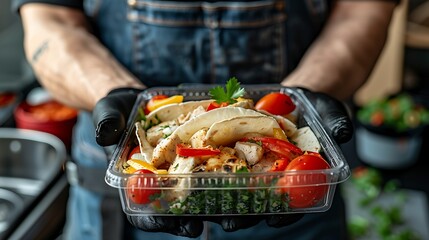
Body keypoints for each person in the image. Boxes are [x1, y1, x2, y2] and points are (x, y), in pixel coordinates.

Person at [13, 0, 398, 239]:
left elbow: (362, 9)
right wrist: (116, 98)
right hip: (125, 199)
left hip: (293, 201)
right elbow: (49, 19)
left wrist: (302, 98)